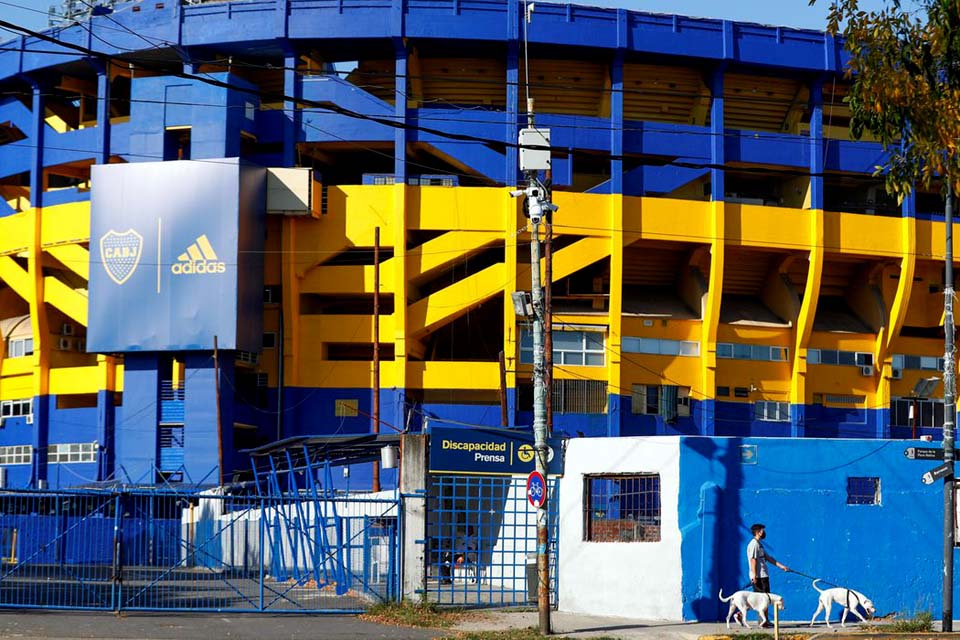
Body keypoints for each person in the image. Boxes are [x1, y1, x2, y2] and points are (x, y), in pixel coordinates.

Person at [746, 523, 790, 627]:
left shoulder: (759, 544)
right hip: (759, 577)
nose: (763, 532)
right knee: (762, 600)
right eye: (762, 530)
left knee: (765, 599)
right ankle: (763, 621)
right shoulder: (753, 544)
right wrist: (754, 575)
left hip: (764, 576)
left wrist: (782, 566)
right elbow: (753, 560)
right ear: (757, 532)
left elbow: (768, 558)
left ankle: (765, 621)